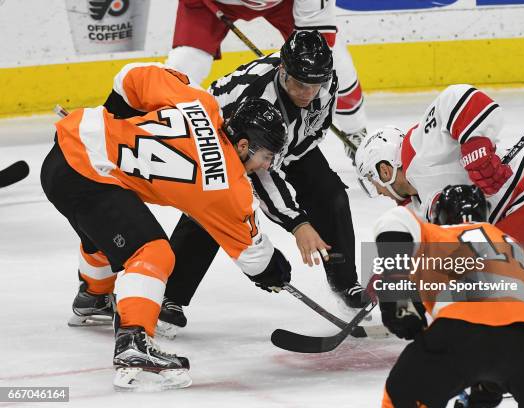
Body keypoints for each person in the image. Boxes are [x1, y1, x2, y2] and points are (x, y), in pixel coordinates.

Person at [40, 62, 291, 391]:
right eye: (268, 156)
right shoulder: (229, 187)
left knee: (109, 230)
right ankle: (133, 344)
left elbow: (133, 76)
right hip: (84, 175)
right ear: (244, 145)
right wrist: (274, 271)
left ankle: (94, 295)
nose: (268, 165)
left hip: (67, 151)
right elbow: (253, 259)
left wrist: (117, 114)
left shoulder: (202, 104)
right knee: (151, 252)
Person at [157, 30, 367, 338]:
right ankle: (169, 297)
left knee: (331, 194)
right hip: (224, 140)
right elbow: (262, 171)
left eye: (315, 84)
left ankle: (345, 284)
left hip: (284, 142)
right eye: (300, 84)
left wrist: (289, 156)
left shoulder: (326, 80)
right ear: (283, 71)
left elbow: (312, 130)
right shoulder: (259, 98)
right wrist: (297, 223)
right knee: (212, 211)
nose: (309, 93)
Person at [354, 84, 524, 333]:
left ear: (384, 170)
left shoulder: (418, 148)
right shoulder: (419, 204)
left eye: (373, 182)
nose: (377, 191)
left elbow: (459, 97)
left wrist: (475, 145)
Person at [371, 184, 524, 408]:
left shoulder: (441, 234)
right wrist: (488, 385)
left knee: (400, 398)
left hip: (460, 331)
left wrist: (397, 294)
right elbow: (514, 336)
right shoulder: (516, 250)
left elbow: (393, 221)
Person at [166, 0, 368, 160]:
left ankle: (355, 131)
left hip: (283, 4)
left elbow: (318, 38)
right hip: (214, 4)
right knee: (185, 63)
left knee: (329, 60)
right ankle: (166, 132)